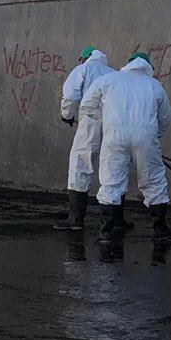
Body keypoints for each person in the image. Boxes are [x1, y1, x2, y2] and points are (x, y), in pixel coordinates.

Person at [83, 50, 171, 236]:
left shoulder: (109, 80)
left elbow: (87, 106)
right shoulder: (155, 86)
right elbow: (164, 117)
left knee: (111, 179)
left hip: (114, 135)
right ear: (148, 67)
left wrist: (107, 121)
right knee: (153, 178)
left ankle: (106, 230)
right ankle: (160, 228)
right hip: (145, 136)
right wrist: (156, 136)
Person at [55, 47, 113, 230]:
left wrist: (67, 115)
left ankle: (76, 219)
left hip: (90, 122)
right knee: (113, 167)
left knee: (80, 164)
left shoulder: (83, 70)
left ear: (85, 57)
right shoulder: (114, 73)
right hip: (113, 125)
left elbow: (70, 96)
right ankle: (116, 220)